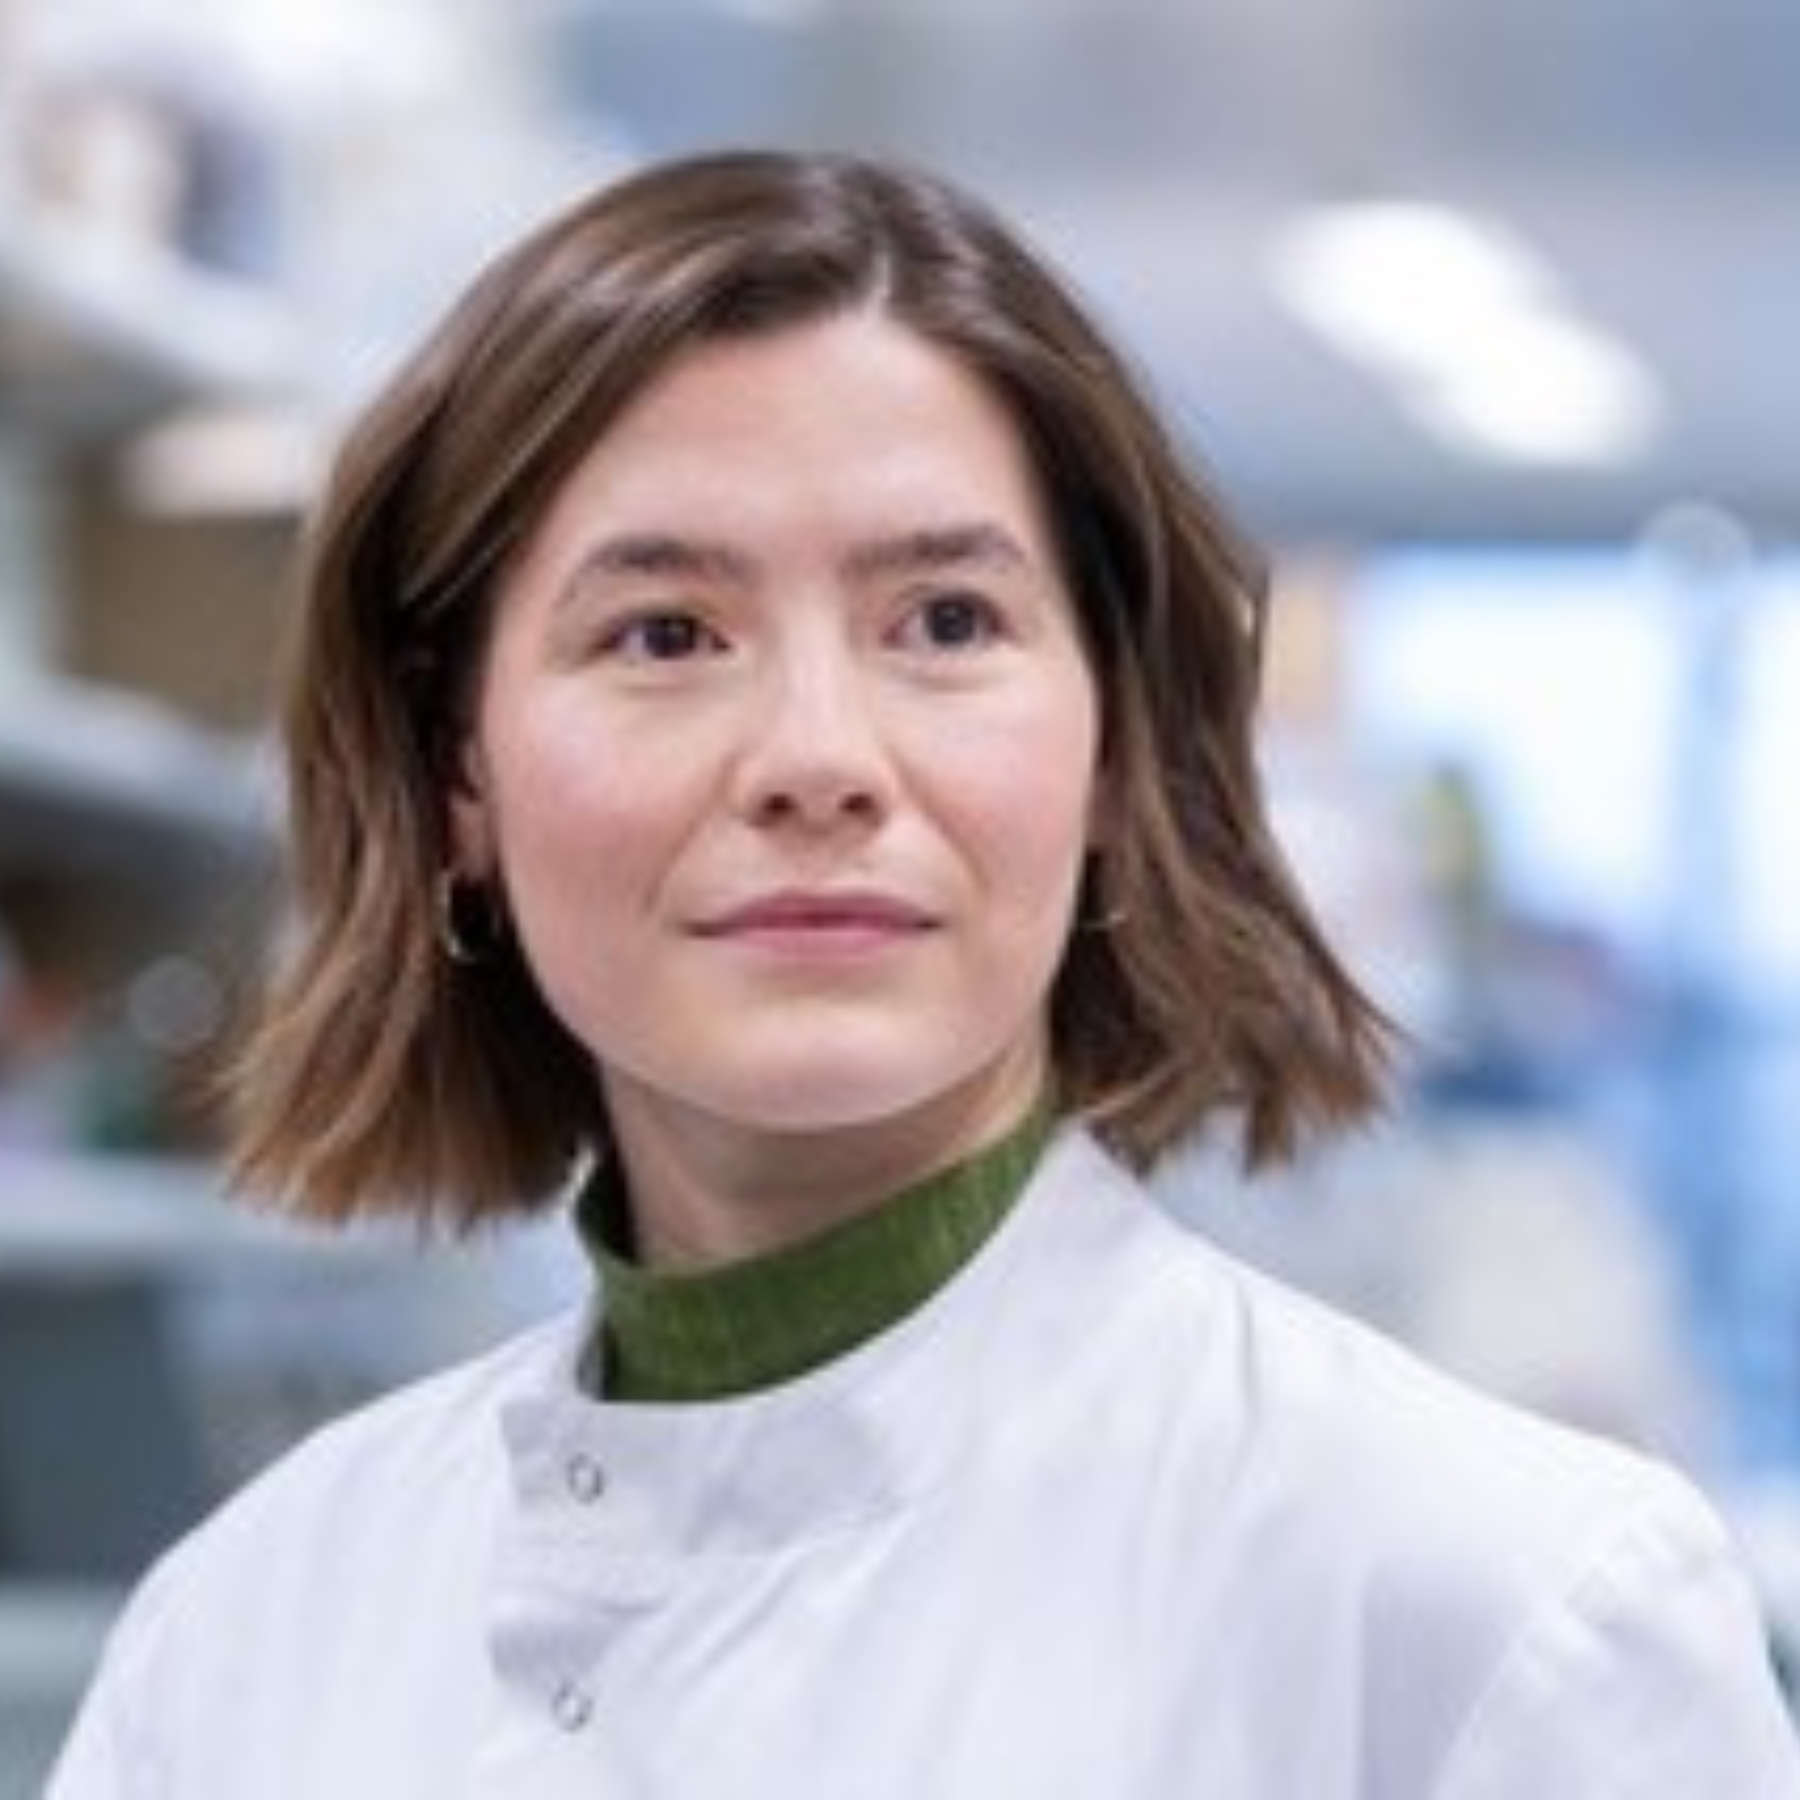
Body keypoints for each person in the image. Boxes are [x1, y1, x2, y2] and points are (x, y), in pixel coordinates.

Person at [50, 149, 1798, 1797]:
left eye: (946, 624)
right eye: (666, 634)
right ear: (458, 776)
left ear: (1118, 751)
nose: (820, 756)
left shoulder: (1496, 1606)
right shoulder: (252, 1636)